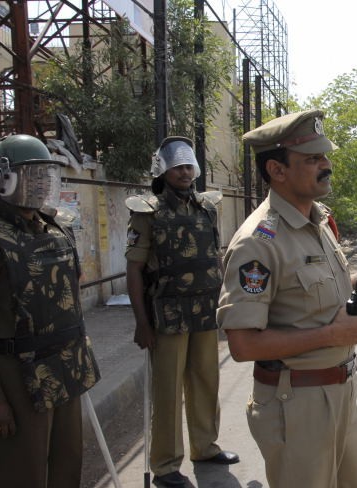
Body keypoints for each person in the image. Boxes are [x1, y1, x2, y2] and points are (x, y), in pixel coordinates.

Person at [217, 109, 357, 487]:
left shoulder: (316, 221)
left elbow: (328, 290)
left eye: (324, 156)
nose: (326, 165)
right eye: (313, 159)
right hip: (295, 405)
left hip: (340, 392)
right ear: (277, 170)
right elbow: (243, 343)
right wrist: (330, 336)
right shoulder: (258, 242)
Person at [0, 134, 101, 487]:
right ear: (2, 178)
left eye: (45, 175)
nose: (41, 184)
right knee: (18, 474)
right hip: (16, 379)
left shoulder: (56, 229)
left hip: (63, 371)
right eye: (32, 175)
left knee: (66, 468)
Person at [125, 136, 238, 488]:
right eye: (178, 167)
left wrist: (225, 301)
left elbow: (215, 256)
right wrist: (141, 323)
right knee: (169, 391)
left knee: (206, 381)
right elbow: (133, 270)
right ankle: (166, 466)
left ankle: (205, 447)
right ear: (164, 171)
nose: (186, 172)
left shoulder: (207, 207)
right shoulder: (147, 212)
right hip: (168, 315)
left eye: (189, 165)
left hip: (204, 310)